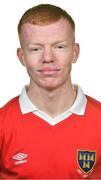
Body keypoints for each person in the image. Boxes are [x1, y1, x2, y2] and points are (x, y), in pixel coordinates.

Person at [0, 3, 101, 179]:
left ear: (75, 52)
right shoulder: (2, 124)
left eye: (59, 46)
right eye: (36, 49)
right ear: (22, 56)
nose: (47, 58)